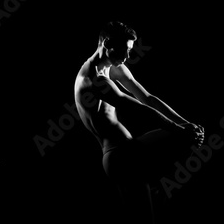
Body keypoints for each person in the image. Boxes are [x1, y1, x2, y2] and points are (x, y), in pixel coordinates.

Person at [74, 21, 204, 223]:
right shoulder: (93, 79)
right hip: (119, 157)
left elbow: (147, 98)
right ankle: (159, 184)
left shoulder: (112, 67)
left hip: (127, 152)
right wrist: (180, 130)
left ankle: (156, 185)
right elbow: (136, 108)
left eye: (130, 51)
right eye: (124, 50)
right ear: (107, 43)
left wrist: (185, 123)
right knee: (183, 137)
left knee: (144, 219)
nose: (127, 57)